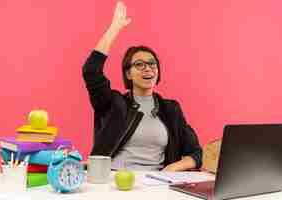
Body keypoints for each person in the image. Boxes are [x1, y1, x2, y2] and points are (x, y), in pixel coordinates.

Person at [82, 1, 202, 171]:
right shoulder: (114, 104)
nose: (148, 68)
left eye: (152, 64)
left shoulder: (171, 110)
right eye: (139, 64)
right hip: (114, 180)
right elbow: (91, 70)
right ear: (128, 74)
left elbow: (196, 154)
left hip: (157, 183)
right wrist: (115, 28)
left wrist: (172, 168)